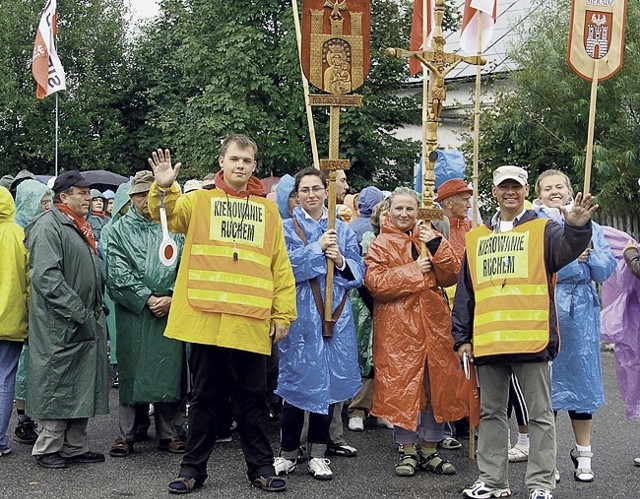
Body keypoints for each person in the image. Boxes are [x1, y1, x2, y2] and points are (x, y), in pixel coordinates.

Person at [146, 134, 296, 494]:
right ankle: (192, 470)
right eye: (234, 160)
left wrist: (283, 314)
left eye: (246, 160)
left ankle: (260, 468)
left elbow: (280, 266)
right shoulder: (198, 201)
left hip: (250, 321)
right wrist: (163, 188)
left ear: (254, 165)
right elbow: (164, 214)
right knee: (204, 401)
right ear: (222, 162)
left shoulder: (268, 211)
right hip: (207, 320)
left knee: (254, 402)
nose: (240, 166)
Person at [452, 165, 597, 499]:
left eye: (515, 186)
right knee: (490, 415)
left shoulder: (543, 229)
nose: (510, 192)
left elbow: (566, 251)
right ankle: (492, 481)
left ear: (525, 189)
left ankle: (541, 484)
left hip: (531, 339)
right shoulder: (477, 238)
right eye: (503, 187)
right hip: (488, 342)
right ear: (494, 191)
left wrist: (576, 229)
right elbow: (466, 292)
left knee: (540, 416)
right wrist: (461, 338)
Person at [365, 187, 466, 477]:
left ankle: (430, 449)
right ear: (389, 210)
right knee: (403, 387)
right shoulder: (380, 244)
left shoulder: (431, 237)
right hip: (398, 327)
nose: (404, 214)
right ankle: (407, 450)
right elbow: (376, 283)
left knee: (436, 385)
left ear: (418, 211)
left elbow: (450, 275)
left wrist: (435, 246)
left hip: (434, 324)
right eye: (399, 209)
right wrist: (414, 271)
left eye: (410, 209)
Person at [274, 167, 364, 480]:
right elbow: (283, 268)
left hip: (333, 317)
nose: (311, 195)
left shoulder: (344, 229)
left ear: (326, 192)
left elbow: (357, 275)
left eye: (316, 189)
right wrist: (316, 249)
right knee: (295, 383)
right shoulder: (285, 228)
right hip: (300, 316)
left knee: (326, 386)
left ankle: (319, 452)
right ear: (296, 196)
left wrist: (339, 260)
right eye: (305, 190)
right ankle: (287, 453)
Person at [533, 169, 615, 482]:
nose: (554, 191)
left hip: (581, 314)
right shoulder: (536, 224)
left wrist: (590, 257)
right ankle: (546, 460)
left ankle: (584, 457)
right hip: (545, 307)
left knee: (582, 385)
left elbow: (606, 269)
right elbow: (535, 266)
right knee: (546, 388)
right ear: (539, 194)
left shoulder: (591, 225)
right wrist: (570, 259)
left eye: (560, 186)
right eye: (548, 188)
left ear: (570, 191)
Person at [25, 170, 109, 469]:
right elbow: (47, 278)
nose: (89, 198)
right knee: (57, 384)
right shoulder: (49, 226)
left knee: (81, 384)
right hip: (61, 322)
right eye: (82, 193)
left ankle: (75, 446)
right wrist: (79, 311)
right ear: (64, 196)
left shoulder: (77, 225)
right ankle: (47, 447)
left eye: (88, 193)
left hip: (82, 318)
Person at [105, 171, 186, 457]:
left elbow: (188, 266)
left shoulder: (176, 229)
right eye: (140, 195)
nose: (145, 201)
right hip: (134, 315)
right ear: (132, 198)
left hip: (169, 311)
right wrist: (147, 298)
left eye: (151, 195)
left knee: (170, 372)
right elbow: (116, 273)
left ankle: (170, 433)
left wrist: (173, 296)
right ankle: (126, 434)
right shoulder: (118, 230)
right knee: (132, 371)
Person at [12, 180, 53, 445]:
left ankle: (30, 417)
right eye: (42, 201)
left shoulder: (38, 229)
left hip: (35, 307)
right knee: (21, 367)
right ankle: (23, 419)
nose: (47, 206)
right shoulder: (17, 233)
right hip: (21, 309)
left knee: (32, 364)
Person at [0, 186, 29, 458]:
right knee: (5, 379)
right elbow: (31, 281)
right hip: (10, 321)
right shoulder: (19, 235)